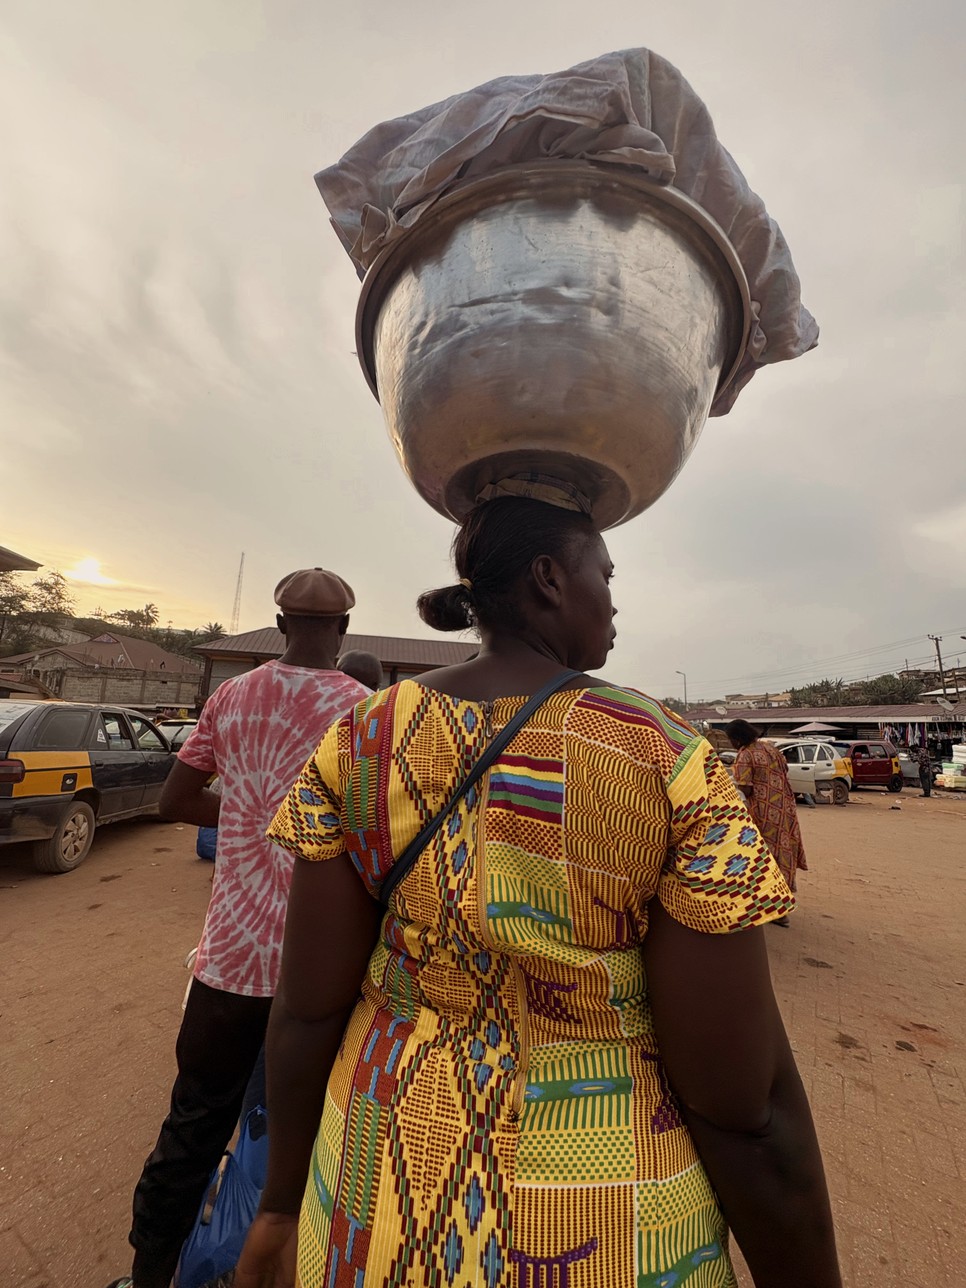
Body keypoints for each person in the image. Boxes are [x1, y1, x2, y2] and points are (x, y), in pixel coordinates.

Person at [235, 496, 840, 1288]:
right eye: (607, 574)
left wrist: (280, 1207)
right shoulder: (663, 754)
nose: (616, 600)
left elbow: (307, 1008)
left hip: (369, 1206)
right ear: (551, 580)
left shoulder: (362, 737)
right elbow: (742, 1104)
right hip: (615, 1226)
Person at [107, 568, 373, 1288]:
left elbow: (174, 800)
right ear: (343, 631)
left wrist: (248, 816)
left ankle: (150, 1271)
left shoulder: (232, 694)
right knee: (309, 1144)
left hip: (227, 967)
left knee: (191, 1127)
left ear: (281, 626)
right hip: (319, 975)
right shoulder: (363, 711)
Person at [727, 719, 808, 928]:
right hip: (785, 810)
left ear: (737, 738)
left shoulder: (746, 754)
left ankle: (776, 910)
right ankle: (782, 903)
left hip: (763, 814)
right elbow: (783, 772)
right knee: (783, 853)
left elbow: (745, 789)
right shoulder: (771, 748)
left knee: (764, 858)